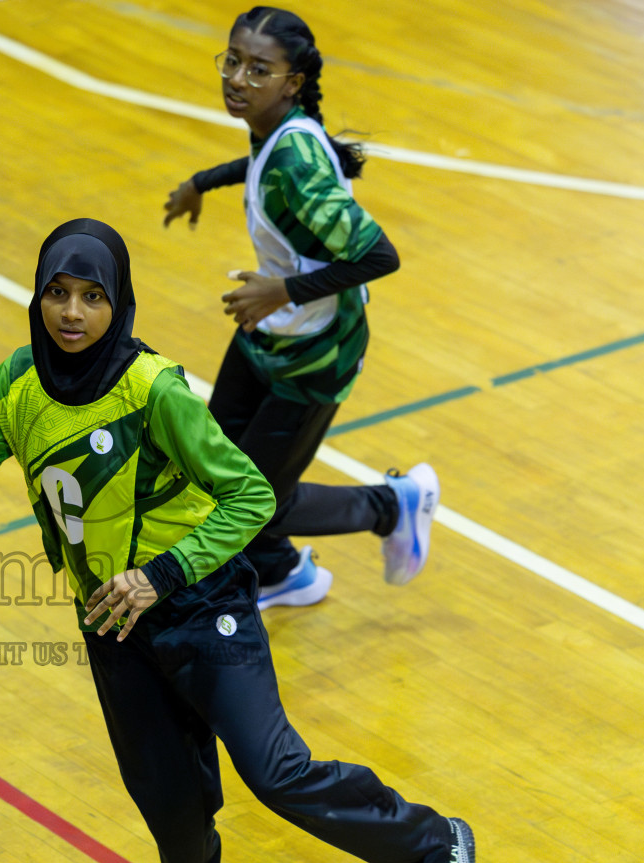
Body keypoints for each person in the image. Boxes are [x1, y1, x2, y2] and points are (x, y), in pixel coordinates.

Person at [0, 218, 482, 863]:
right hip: (112, 628)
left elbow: (252, 496)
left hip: (203, 606)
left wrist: (161, 573)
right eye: (57, 293)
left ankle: (435, 846)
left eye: (92, 297)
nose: (71, 312)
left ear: (119, 302)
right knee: (174, 813)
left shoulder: (152, 389)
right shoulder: (15, 386)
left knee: (277, 774)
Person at [163, 6, 437, 611]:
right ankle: (283, 572)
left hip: (317, 349)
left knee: (257, 499)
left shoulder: (298, 161)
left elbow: (380, 256)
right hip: (273, 330)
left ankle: (394, 506)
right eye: (232, 61)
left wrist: (279, 291)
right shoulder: (275, 131)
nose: (238, 79)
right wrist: (201, 183)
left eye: (259, 70)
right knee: (218, 468)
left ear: (291, 82)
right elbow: (258, 166)